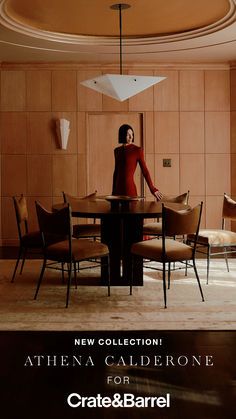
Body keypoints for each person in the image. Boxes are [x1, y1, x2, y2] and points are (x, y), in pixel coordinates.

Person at [112, 124, 163, 199]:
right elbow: (116, 172)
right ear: (122, 135)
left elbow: (145, 171)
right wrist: (113, 192)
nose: (131, 137)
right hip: (117, 191)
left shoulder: (137, 150)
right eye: (128, 134)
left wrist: (152, 189)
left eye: (132, 134)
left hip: (129, 189)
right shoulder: (117, 151)